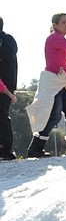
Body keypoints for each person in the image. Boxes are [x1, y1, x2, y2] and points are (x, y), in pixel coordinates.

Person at [26, 13, 66, 157]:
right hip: (52, 82)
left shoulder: (63, 43)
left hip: (62, 81)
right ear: (55, 25)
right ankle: (35, 148)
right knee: (54, 116)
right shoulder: (54, 38)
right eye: (64, 22)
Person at [0, 16, 18, 160]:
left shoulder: (7, 40)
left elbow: (7, 54)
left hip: (5, 84)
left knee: (2, 115)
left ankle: (7, 150)